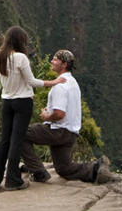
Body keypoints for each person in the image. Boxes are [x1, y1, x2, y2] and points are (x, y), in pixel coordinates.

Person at [21, 49, 112, 184]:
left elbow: (59, 114)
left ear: (63, 65)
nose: (52, 61)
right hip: (71, 133)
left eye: (55, 59)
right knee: (64, 169)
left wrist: (47, 116)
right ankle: (96, 168)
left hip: (59, 131)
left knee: (20, 133)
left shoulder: (60, 86)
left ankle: (38, 172)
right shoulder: (72, 82)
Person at [0, 26, 63, 191]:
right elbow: (32, 82)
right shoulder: (21, 58)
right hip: (22, 102)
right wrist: (53, 82)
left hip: (6, 102)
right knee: (17, 140)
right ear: (19, 41)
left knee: (4, 140)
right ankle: (12, 180)